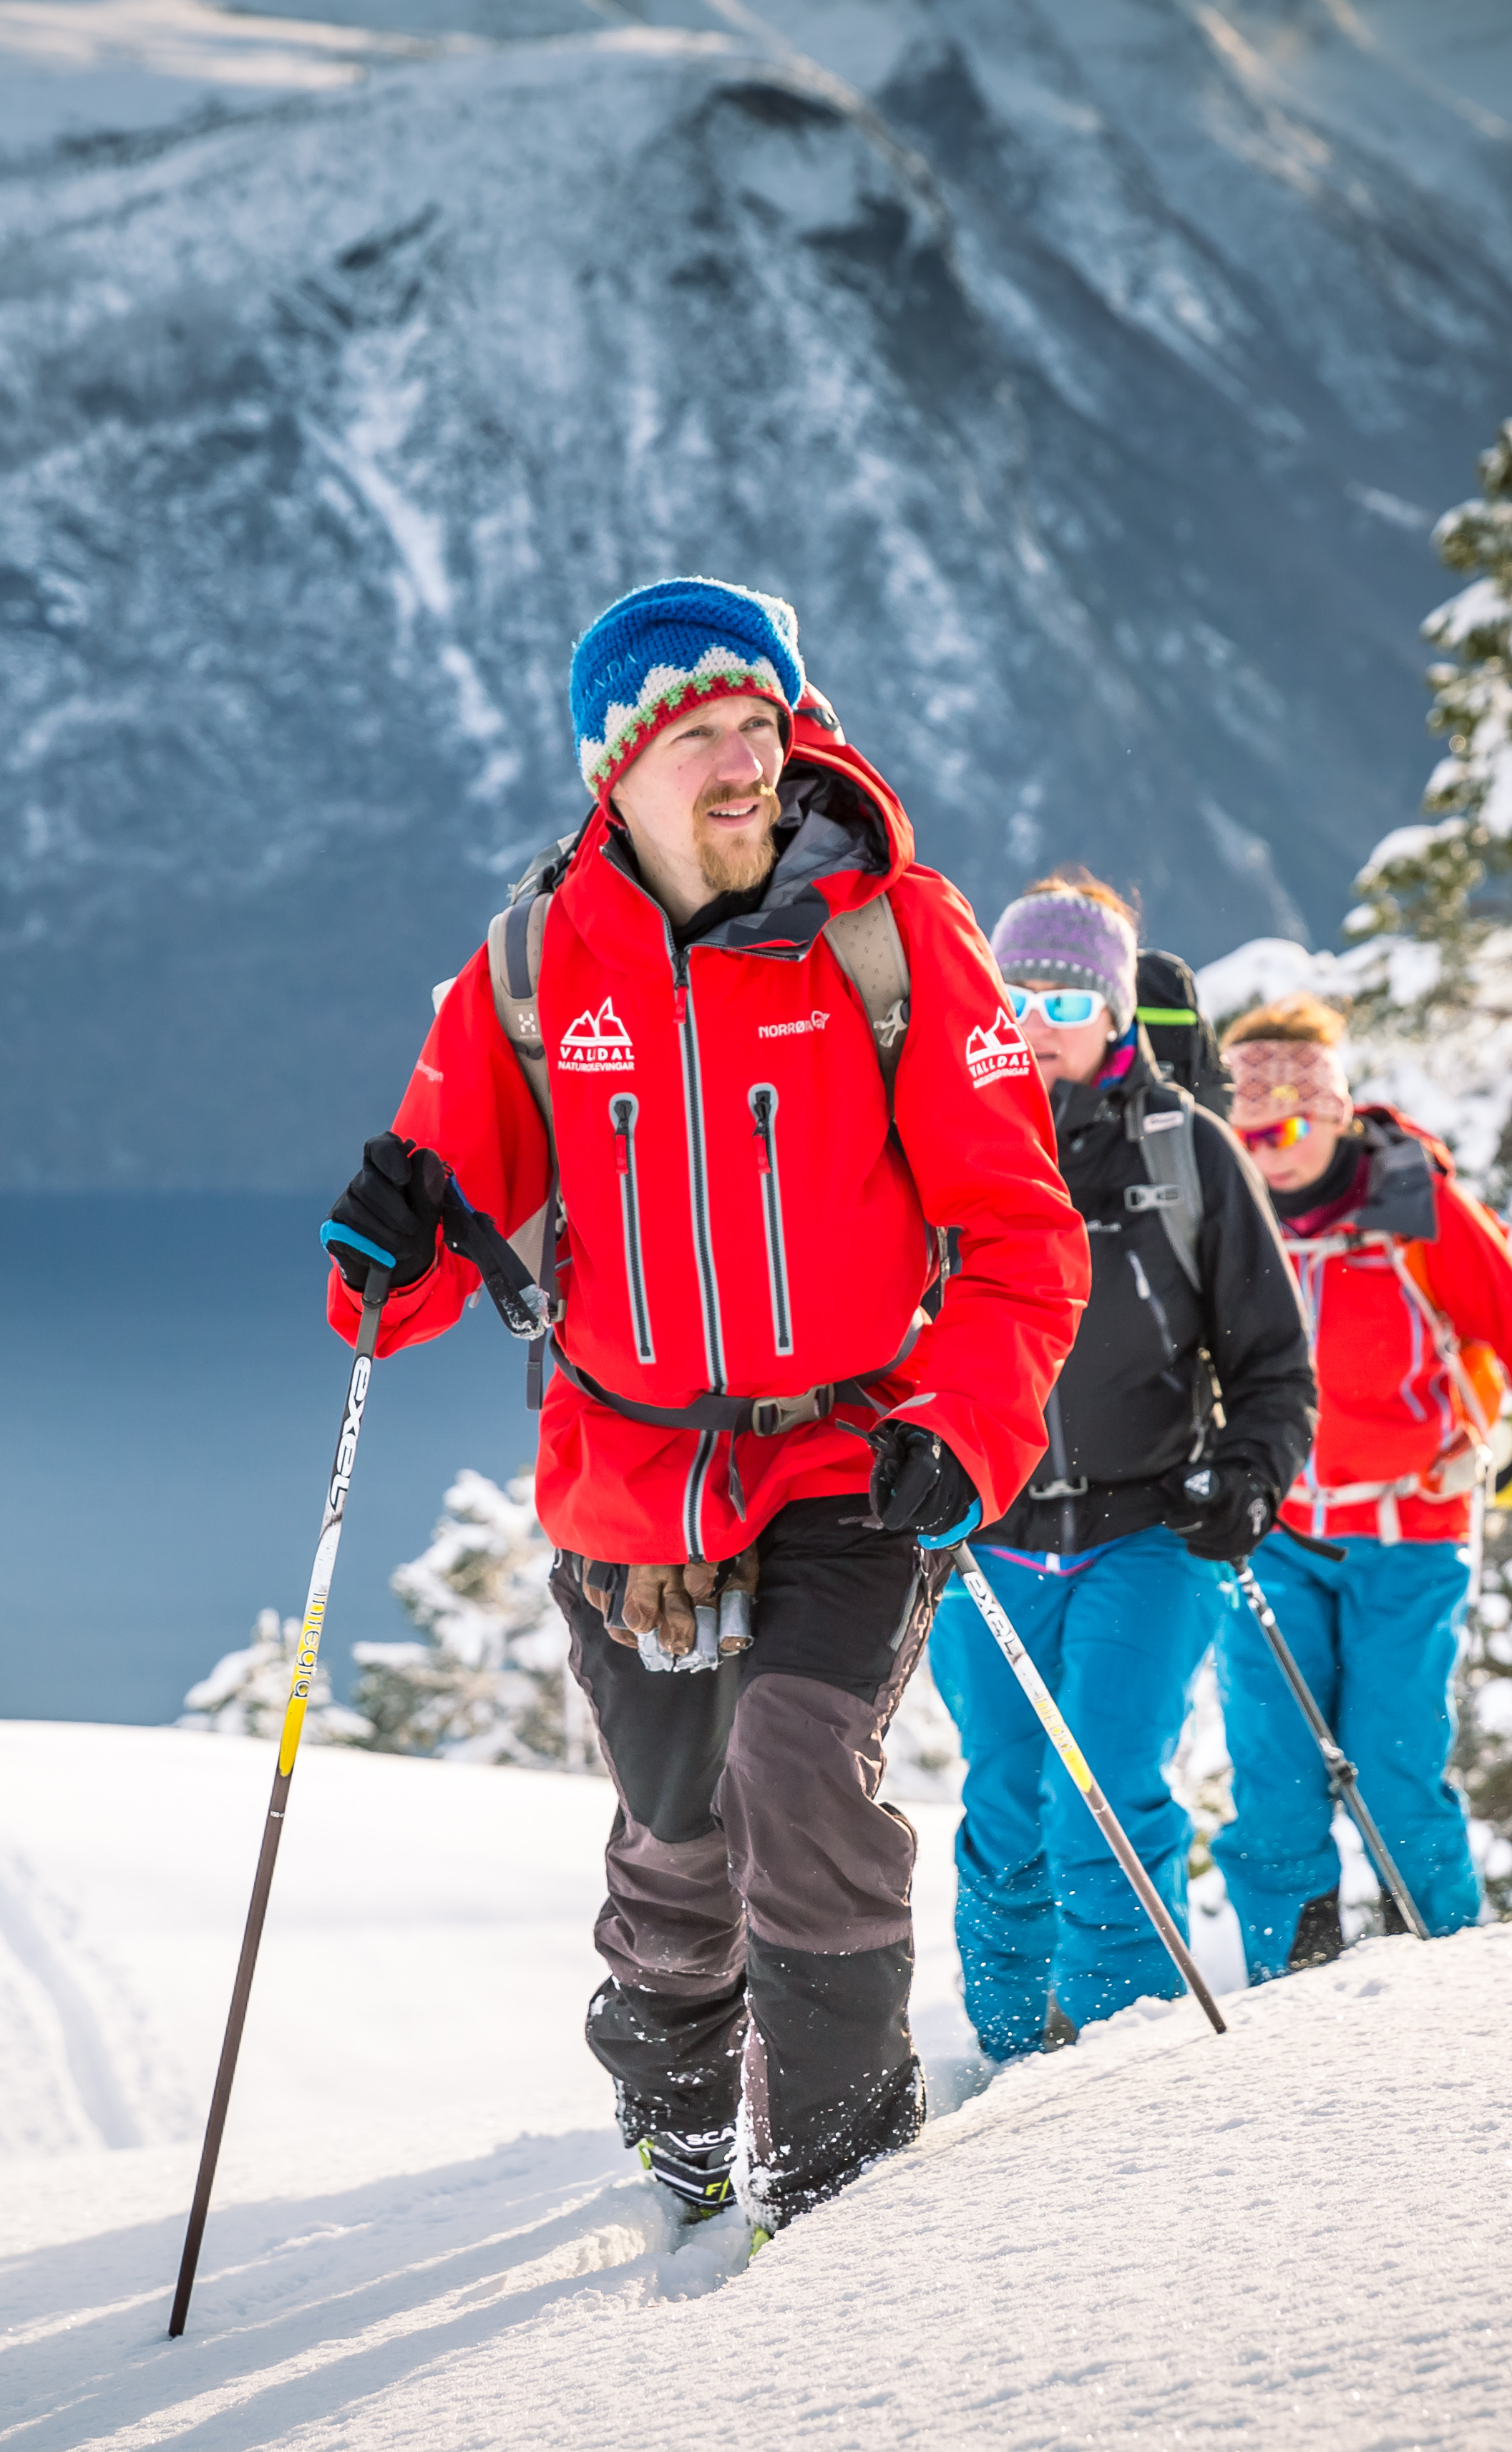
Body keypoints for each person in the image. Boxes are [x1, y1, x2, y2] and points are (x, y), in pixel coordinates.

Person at [322, 578, 1084, 2232]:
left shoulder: (896, 936)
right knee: (675, 1834)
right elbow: (414, 1269)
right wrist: (385, 1243)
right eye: (702, 739)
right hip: (628, 1474)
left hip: (853, 1452)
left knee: (798, 1762)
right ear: (619, 770)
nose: (745, 767)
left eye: (764, 727)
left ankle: (837, 2167)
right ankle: (675, 2097)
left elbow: (1025, 1238)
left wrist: (963, 1423)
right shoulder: (534, 967)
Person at [926, 871, 1314, 2060]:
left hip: (1146, 1531)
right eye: (1014, 1002)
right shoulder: (946, 1145)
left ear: (1109, 1014)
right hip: (982, 1533)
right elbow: (890, 1328)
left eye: (1060, 1003)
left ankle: (1113, 2063)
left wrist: (1247, 1476)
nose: (1033, 1027)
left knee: (1100, 1787)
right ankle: (1004, 2049)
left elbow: (1269, 1363)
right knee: (1000, 1801)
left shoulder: (1184, 1154)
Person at [1208, 994, 1512, 1979]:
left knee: (1389, 1765)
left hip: (1407, 1529)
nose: (1267, 1151)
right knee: (1275, 1776)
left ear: (1331, 1112)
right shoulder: (1226, 1211)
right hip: (1275, 1531)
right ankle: (1289, 1977)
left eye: (1287, 1127)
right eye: (1245, 1133)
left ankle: (1441, 1971)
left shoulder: (1411, 1207)